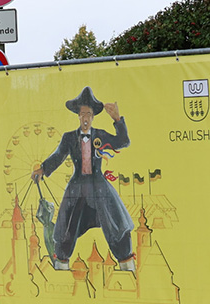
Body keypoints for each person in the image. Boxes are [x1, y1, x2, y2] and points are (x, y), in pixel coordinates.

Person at [32, 86, 135, 271]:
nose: (85, 118)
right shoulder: (69, 138)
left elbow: (123, 142)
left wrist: (117, 120)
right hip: (77, 188)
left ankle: (127, 265)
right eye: (82, 114)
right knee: (65, 229)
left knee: (116, 225)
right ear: (78, 116)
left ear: (93, 116)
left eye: (88, 114)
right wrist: (43, 169)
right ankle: (61, 266)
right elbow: (58, 155)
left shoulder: (100, 135)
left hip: (99, 188)